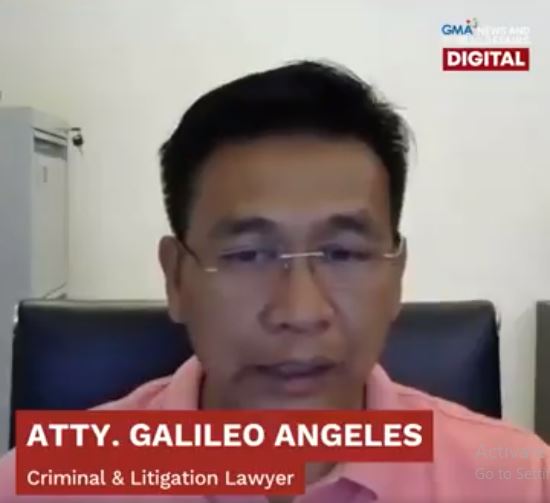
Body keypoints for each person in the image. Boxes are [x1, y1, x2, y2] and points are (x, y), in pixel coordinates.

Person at [0, 61, 549, 502]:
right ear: (176, 279)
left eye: (343, 253)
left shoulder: (518, 481)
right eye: (249, 255)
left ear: (396, 275)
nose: (300, 311)